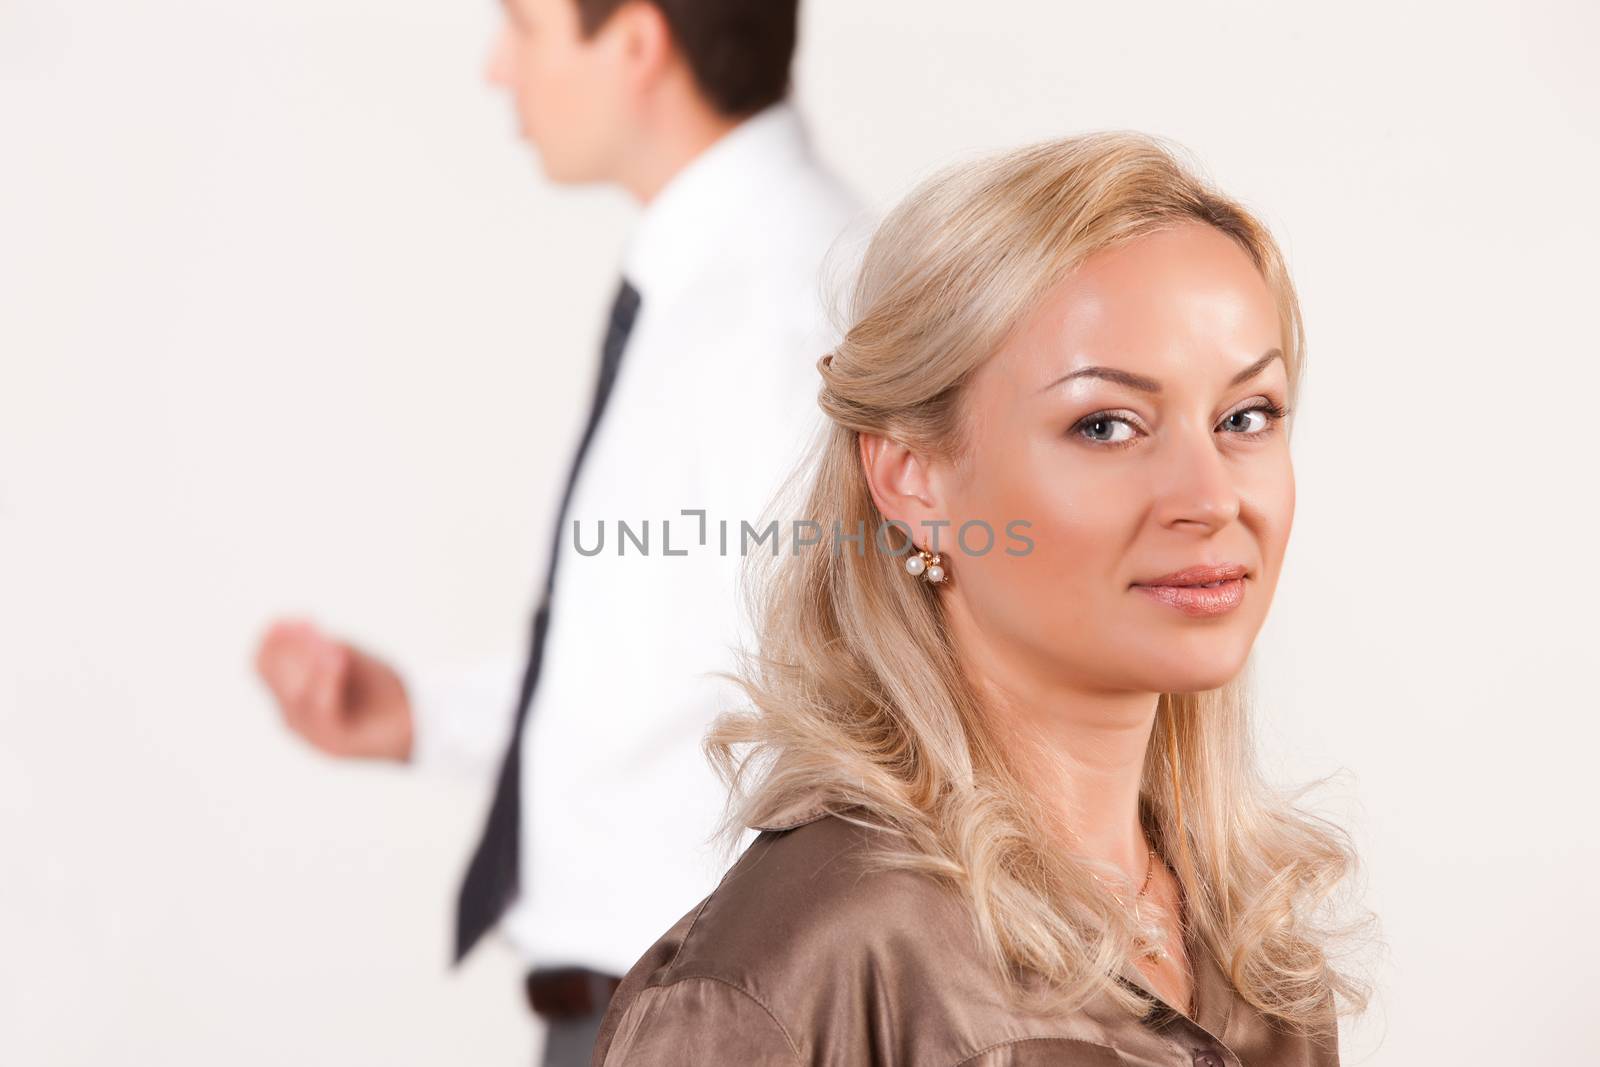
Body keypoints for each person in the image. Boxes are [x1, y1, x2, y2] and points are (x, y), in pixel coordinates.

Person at [592, 132, 1373, 1066]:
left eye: (1245, 417)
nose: (1210, 499)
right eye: (1106, 424)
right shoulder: (802, 973)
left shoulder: (1256, 958)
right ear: (914, 478)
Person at [252, 0, 862, 1063]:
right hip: (660, 1011)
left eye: (524, 25)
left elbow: (829, 703)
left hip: (702, 1021)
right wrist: (420, 716)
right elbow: (670, 667)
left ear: (635, 42)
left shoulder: (777, 316)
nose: (496, 67)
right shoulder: (719, 289)